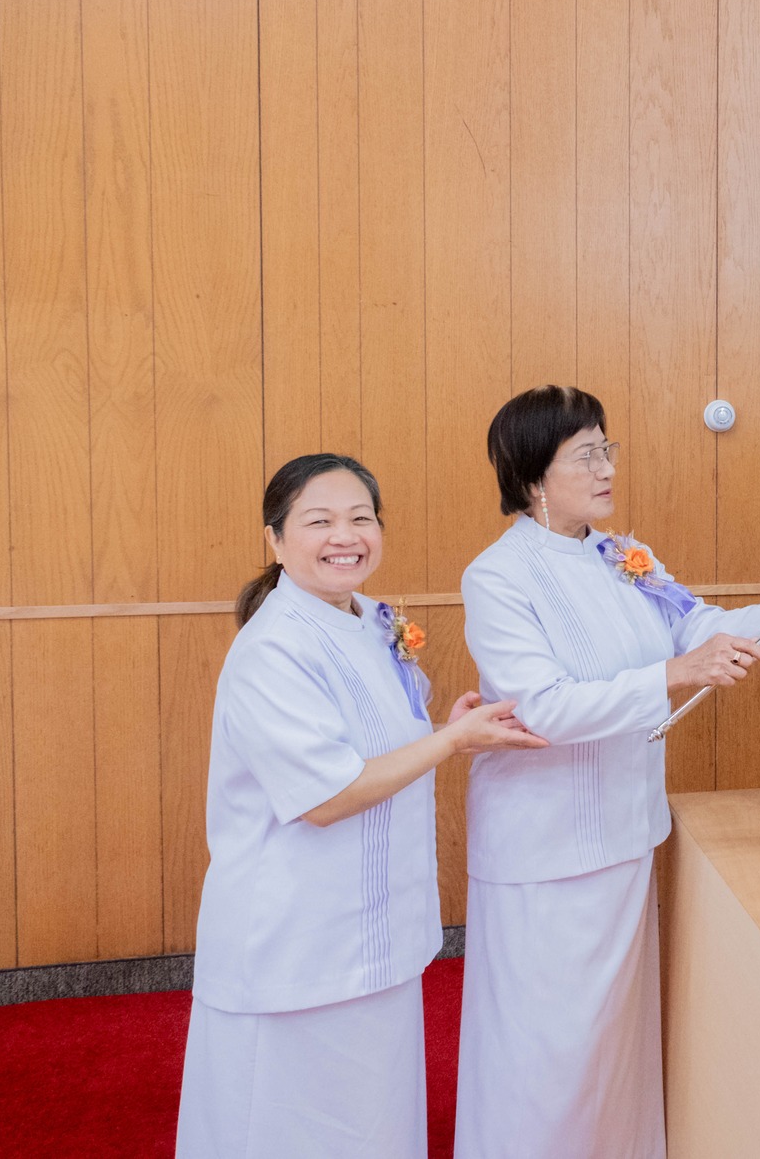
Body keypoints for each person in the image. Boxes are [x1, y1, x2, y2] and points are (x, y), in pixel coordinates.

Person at [455, 387, 760, 1159]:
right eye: (586, 455)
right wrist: (674, 673)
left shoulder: (622, 555)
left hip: (624, 831)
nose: (607, 467)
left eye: (607, 448)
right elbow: (542, 707)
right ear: (532, 477)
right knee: (550, 1052)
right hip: (545, 847)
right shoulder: (496, 576)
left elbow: (695, 625)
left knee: (613, 1046)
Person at [177, 454, 546, 1158]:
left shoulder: (371, 618)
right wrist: (450, 742)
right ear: (275, 538)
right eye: (319, 521)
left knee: (375, 1118)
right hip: (296, 936)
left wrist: (445, 729)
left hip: (375, 920)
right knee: (289, 1126)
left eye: (361, 518)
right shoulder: (273, 649)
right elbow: (326, 795)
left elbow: (383, 739)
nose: (345, 536)